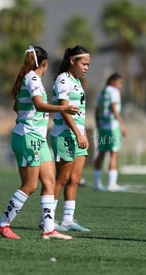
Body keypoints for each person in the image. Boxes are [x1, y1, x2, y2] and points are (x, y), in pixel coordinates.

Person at [0, 45, 78, 240]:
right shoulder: (32, 78)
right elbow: (39, 105)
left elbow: (18, 107)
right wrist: (62, 109)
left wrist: (28, 118)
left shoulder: (32, 79)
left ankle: (49, 229)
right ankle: (3, 224)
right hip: (28, 138)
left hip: (37, 138)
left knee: (49, 181)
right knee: (30, 185)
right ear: (45, 63)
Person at [50, 45, 91, 232]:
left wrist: (83, 134)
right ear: (72, 61)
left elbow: (79, 111)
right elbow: (65, 110)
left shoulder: (77, 81)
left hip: (78, 134)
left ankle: (67, 219)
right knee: (63, 178)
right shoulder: (63, 80)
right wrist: (78, 133)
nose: (86, 68)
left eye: (88, 64)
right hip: (64, 134)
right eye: (84, 63)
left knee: (75, 177)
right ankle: (48, 219)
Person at [93, 73, 127, 192]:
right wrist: (122, 124)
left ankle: (97, 183)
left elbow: (96, 110)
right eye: (119, 83)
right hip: (112, 127)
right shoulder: (114, 91)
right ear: (112, 81)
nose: (120, 86)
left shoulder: (102, 92)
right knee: (114, 153)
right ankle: (112, 184)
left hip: (102, 126)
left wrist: (97, 124)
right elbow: (113, 108)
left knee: (101, 153)